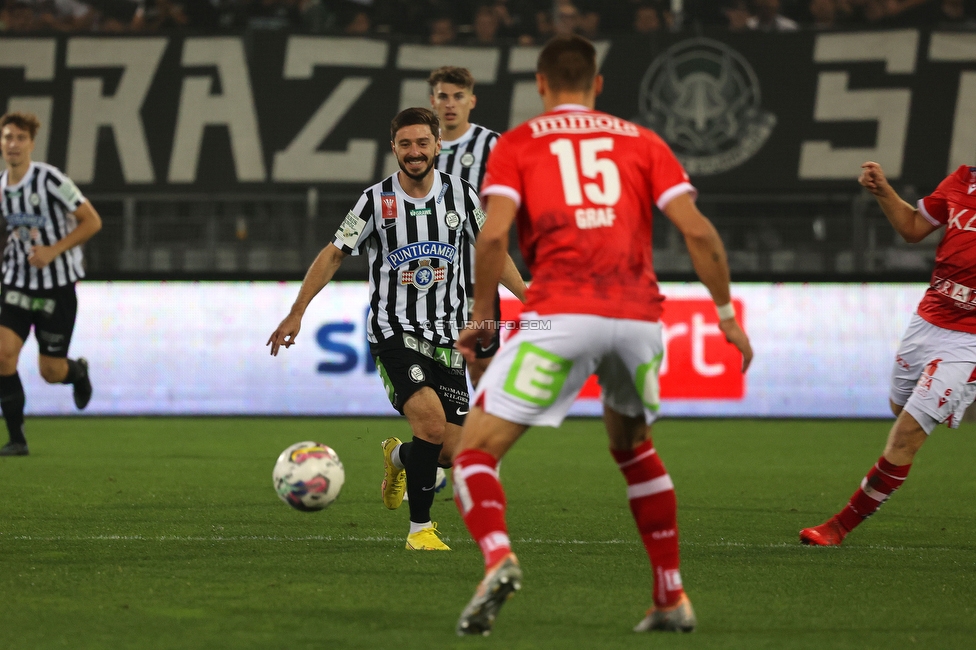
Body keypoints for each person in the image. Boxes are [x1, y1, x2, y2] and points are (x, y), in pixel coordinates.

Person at [449, 35, 753, 636]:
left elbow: (490, 239)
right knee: (633, 447)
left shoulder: (517, 145)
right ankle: (670, 596)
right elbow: (698, 233)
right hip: (639, 319)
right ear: (598, 85)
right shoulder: (643, 141)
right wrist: (725, 314)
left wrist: (485, 320)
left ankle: (497, 559)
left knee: (475, 452)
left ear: (539, 84)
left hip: (559, 314)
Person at [267, 107, 525, 550]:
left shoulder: (462, 196)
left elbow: (492, 251)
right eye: (405, 144)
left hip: (447, 338)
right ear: (394, 149)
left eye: (422, 143)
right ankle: (419, 531)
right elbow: (333, 253)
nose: (414, 152)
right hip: (394, 333)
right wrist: (297, 310)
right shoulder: (374, 201)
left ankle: (399, 456)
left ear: (437, 145)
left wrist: (527, 294)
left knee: (451, 452)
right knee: (428, 422)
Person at [800, 161, 976, 546]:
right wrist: (882, 190)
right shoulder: (963, 179)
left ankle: (837, 527)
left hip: (969, 340)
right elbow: (913, 228)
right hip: (928, 320)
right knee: (900, 409)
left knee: (906, 435)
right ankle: (949, 401)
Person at [382, 67, 514, 501]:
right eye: (443, 95)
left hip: (478, 282)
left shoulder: (490, 145)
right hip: (425, 288)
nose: (451, 102)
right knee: (442, 410)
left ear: (471, 100)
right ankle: (443, 453)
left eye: (459, 95)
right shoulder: (416, 148)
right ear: (433, 101)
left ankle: (456, 455)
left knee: (482, 370)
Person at [0, 112, 100, 457]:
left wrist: (53, 251)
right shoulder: (1, 186)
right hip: (16, 284)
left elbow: (92, 221)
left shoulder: (50, 180)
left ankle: (78, 372)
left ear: (31, 143)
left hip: (57, 288)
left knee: (51, 371)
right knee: (2, 356)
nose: (13, 144)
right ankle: (17, 439)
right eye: (7, 137)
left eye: (20, 138)